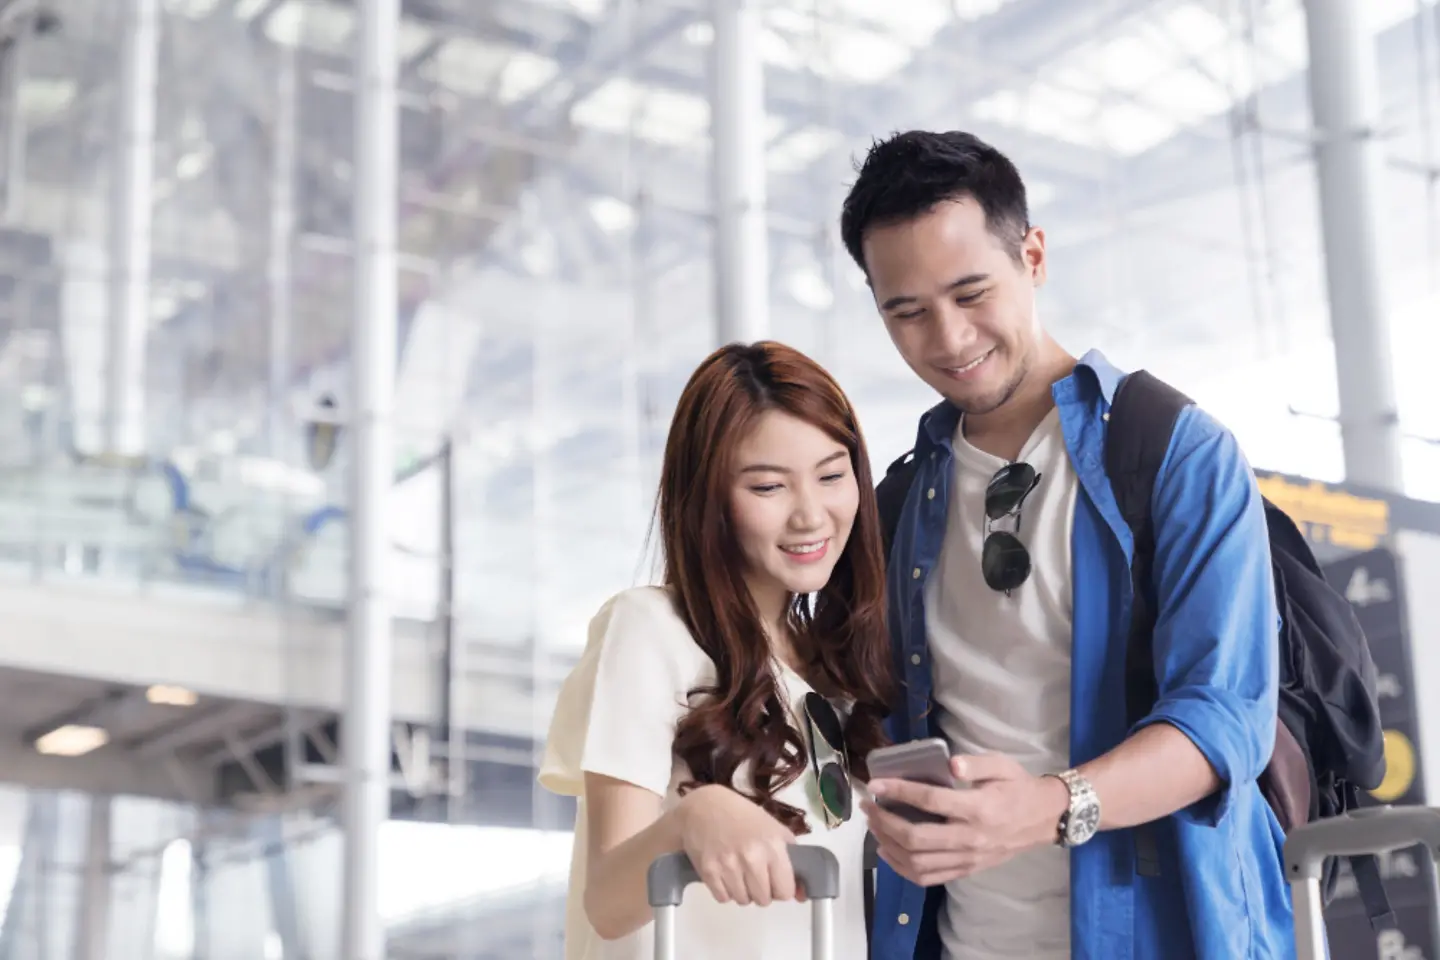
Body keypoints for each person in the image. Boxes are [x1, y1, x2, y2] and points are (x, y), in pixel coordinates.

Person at [838, 130, 1293, 959]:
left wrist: (1050, 803)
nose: (947, 338)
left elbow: (1224, 717)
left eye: (971, 291)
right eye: (906, 312)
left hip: (1165, 936)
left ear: (1034, 256)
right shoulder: (898, 502)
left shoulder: (1174, 452)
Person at [537, 340, 896, 960]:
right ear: (711, 501)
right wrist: (690, 819)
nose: (812, 515)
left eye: (833, 476)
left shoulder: (835, 674)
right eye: (768, 487)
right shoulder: (650, 630)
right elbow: (608, 902)